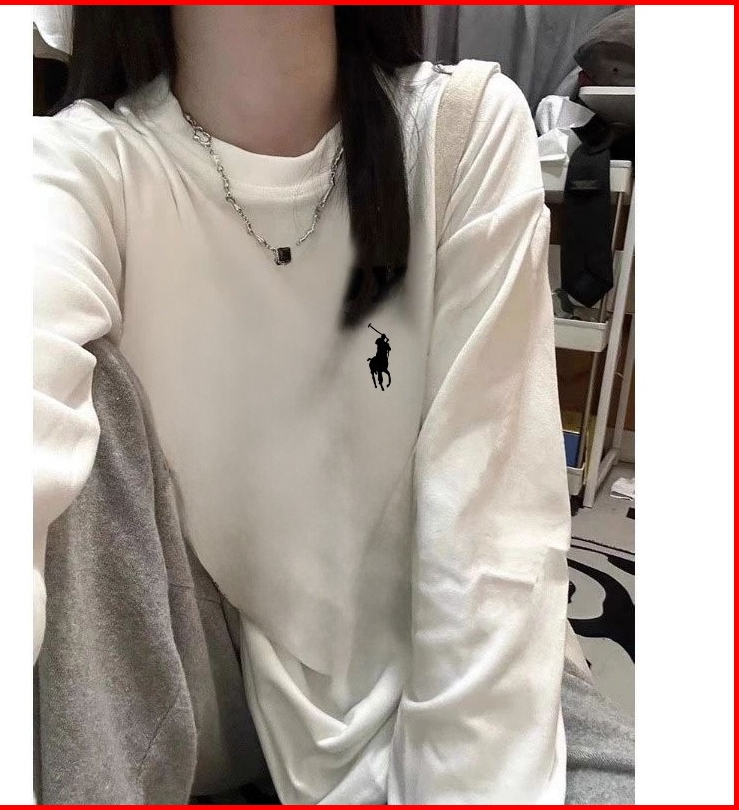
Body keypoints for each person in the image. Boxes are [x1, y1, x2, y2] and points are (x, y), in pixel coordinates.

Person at [34, 6, 596, 804]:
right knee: (91, 406)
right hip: (199, 676)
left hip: (443, 657)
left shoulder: (460, 127)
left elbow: (491, 542)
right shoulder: (74, 169)